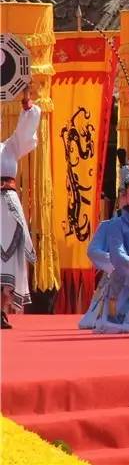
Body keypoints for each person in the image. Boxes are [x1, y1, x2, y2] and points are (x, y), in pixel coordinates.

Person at [80, 175, 129, 333]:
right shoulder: (114, 225)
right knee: (121, 315)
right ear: (124, 196)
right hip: (122, 277)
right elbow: (108, 253)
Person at [1, 90, 39, 330]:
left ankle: (2, 309)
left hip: (8, 207)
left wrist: (27, 107)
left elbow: (26, 134)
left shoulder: (9, 147)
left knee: (8, 260)